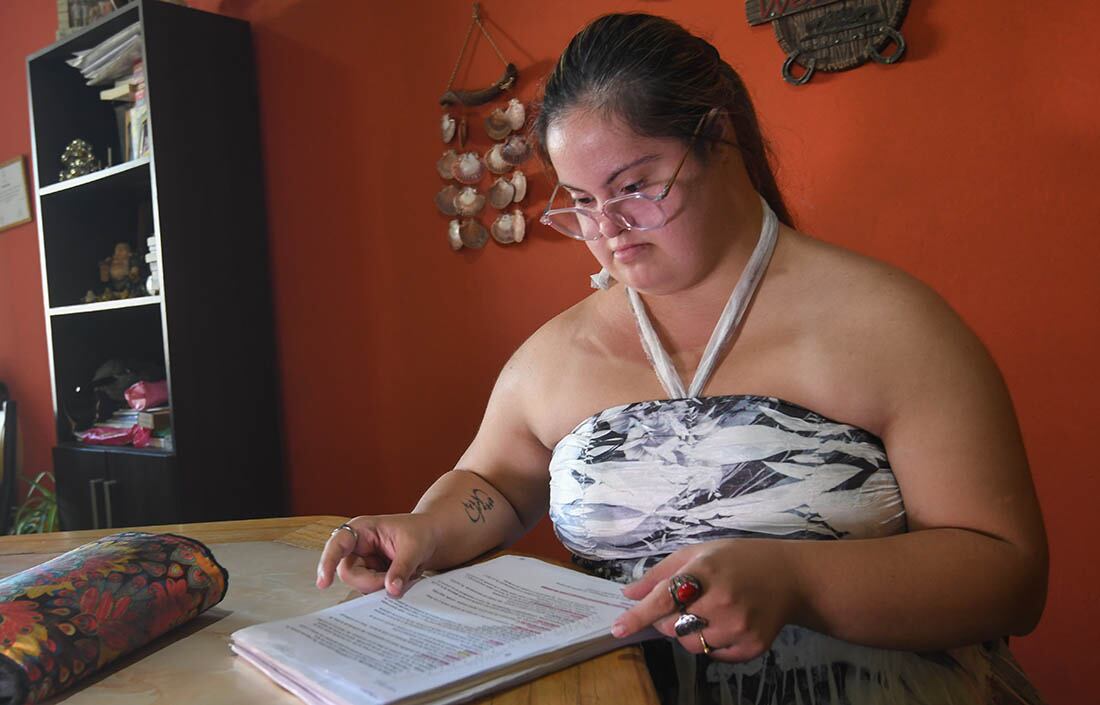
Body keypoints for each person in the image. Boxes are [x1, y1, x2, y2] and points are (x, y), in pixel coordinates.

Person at [316, 13, 1048, 705]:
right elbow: (496, 482)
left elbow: (1009, 572)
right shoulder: (558, 355)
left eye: (635, 187)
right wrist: (427, 529)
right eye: (580, 201)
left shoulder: (890, 326)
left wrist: (801, 581)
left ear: (717, 138)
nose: (609, 230)